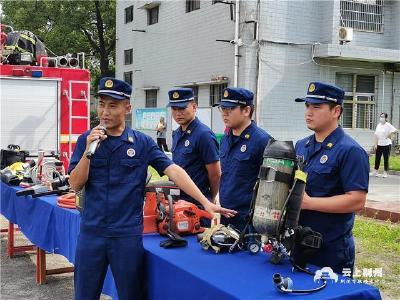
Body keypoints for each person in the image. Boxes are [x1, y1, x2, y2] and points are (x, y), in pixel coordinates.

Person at [68, 77, 236, 300]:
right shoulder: (86, 141)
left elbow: (175, 171)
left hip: (126, 236)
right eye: (101, 104)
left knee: (131, 294)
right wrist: (89, 151)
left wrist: (206, 202)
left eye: (112, 105)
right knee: (84, 295)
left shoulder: (141, 143)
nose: (105, 111)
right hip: (92, 233)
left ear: (127, 108)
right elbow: (75, 183)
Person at [294, 82, 369, 274]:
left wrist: (310, 203)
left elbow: (357, 200)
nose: (308, 113)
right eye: (307, 106)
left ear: (336, 111)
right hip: (299, 241)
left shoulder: (350, 150)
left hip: (330, 248)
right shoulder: (302, 146)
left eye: (316, 107)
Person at [215, 87, 272, 231]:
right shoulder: (226, 138)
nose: (224, 114)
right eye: (223, 108)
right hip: (226, 215)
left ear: (246, 111)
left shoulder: (262, 140)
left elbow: (270, 185)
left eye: (230, 109)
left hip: (249, 221)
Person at [168, 88, 221, 208]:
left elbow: (215, 174)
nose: (178, 113)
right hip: (177, 201)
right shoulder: (177, 133)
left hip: (197, 204)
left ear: (194, 107)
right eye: (174, 109)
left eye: (182, 108)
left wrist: (210, 200)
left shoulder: (203, 134)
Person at [371, 112, 398, 178]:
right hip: (379, 144)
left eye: (383, 117)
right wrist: (375, 144)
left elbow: (395, 130)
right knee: (377, 158)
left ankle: (385, 172)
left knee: (386, 158)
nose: (381, 118)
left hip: (386, 144)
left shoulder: (388, 125)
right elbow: (376, 135)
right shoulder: (378, 125)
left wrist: (389, 135)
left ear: (386, 118)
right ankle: (376, 171)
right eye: (381, 116)